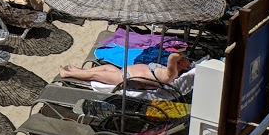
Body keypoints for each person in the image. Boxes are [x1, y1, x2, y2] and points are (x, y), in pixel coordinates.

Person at [59, 52, 192, 86]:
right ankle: (78, 70)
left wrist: (181, 56)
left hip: (125, 80)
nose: (180, 62)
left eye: (182, 62)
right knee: (105, 67)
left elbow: (172, 57)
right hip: (124, 72)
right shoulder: (171, 71)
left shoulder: (172, 74)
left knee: (94, 75)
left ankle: (66, 74)